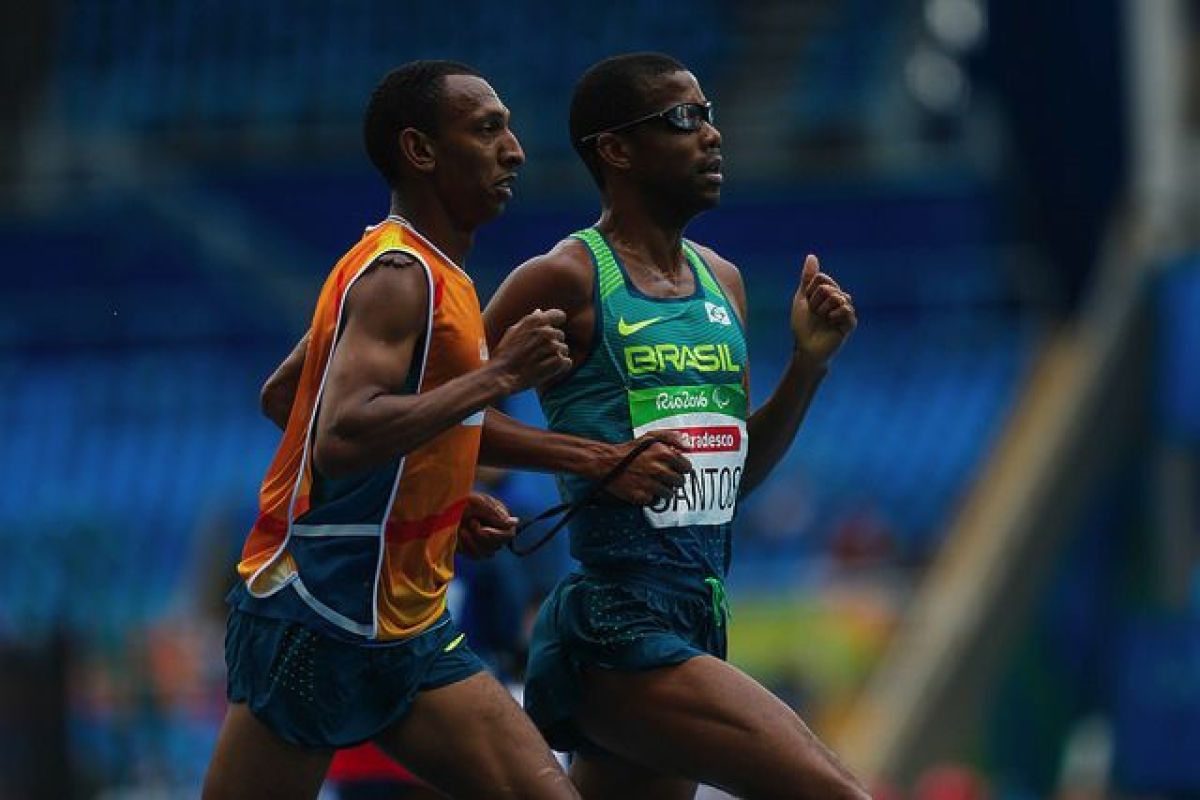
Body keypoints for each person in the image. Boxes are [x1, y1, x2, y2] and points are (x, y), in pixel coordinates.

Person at [481, 52, 871, 800]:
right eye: (684, 119)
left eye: (711, 114)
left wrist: (808, 366)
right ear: (616, 150)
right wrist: (596, 460)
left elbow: (731, 479)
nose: (712, 136)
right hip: (616, 624)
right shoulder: (563, 276)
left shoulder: (721, 280)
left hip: (700, 614)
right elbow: (443, 410)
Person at [202, 60, 582, 800]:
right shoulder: (399, 275)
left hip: (406, 629)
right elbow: (337, 434)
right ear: (420, 150)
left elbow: (286, 398)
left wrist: (421, 495)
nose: (516, 150)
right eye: (488, 128)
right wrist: (501, 377)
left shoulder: (426, 271)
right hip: (316, 617)